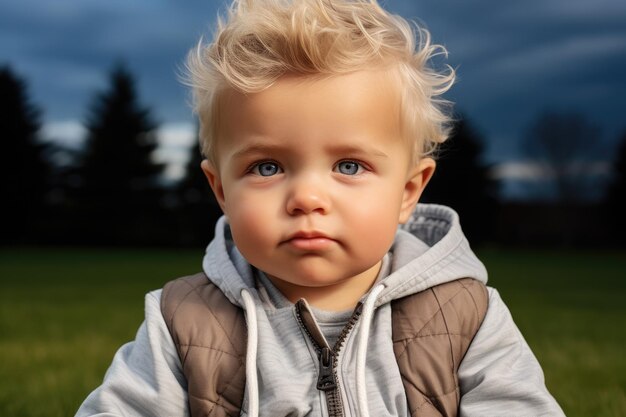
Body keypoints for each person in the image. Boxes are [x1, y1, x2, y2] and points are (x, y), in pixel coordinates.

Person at [76, 0, 565, 416]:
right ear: (220, 189)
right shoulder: (183, 321)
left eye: (349, 166)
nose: (307, 198)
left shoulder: (464, 316)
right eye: (267, 168)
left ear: (408, 192)